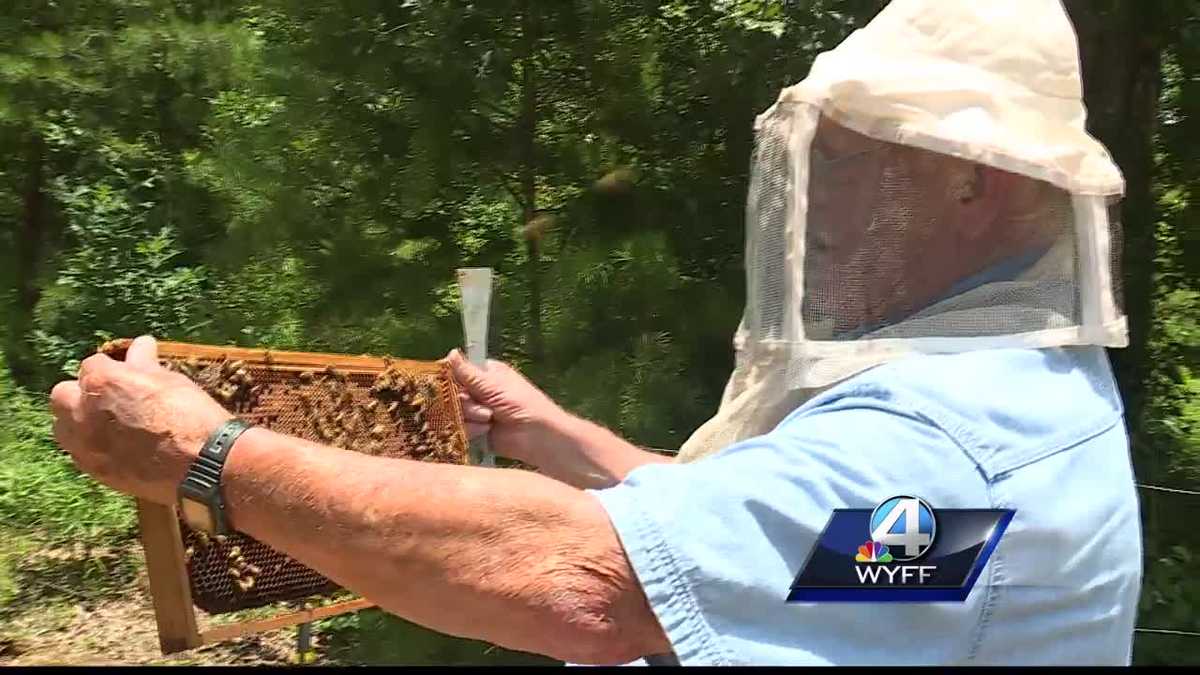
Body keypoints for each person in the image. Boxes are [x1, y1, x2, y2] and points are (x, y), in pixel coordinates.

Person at [49, 0, 1141, 666]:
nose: (817, 213)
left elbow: (590, 587)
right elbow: (806, 559)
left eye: (849, 168)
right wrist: (559, 438)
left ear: (972, 189)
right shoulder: (1020, 411)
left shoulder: (949, 445)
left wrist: (208, 456)